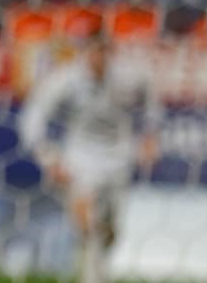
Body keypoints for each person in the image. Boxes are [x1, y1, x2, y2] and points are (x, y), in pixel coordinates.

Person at [18, 24, 161, 283]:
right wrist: (48, 158)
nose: (99, 58)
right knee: (87, 223)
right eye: (93, 52)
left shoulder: (131, 76)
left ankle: (97, 269)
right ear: (85, 52)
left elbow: (152, 98)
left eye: (104, 51)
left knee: (111, 231)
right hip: (81, 156)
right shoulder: (66, 79)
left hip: (119, 156)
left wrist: (151, 135)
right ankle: (89, 275)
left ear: (112, 52)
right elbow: (34, 116)